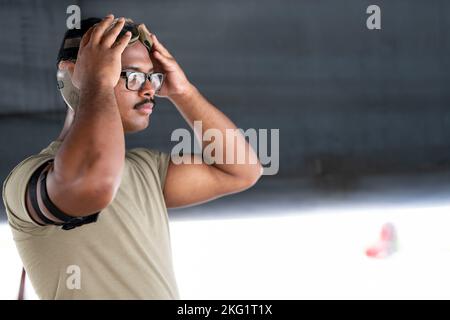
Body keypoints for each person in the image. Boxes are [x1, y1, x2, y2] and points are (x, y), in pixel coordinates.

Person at [2, 15, 262, 299]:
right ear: (74, 75)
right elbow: (96, 182)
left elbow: (243, 171)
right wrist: (96, 83)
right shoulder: (28, 178)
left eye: (152, 77)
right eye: (132, 75)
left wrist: (184, 93)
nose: (150, 89)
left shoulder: (146, 169)